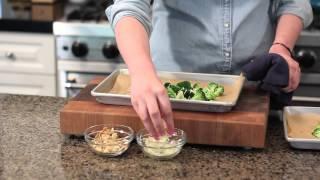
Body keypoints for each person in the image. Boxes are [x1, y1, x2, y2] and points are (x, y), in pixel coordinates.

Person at [106, 0, 313, 138]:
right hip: (170, 94)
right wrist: (141, 71)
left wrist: (282, 47)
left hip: (253, 92)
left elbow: (293, 2)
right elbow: (129, 6)